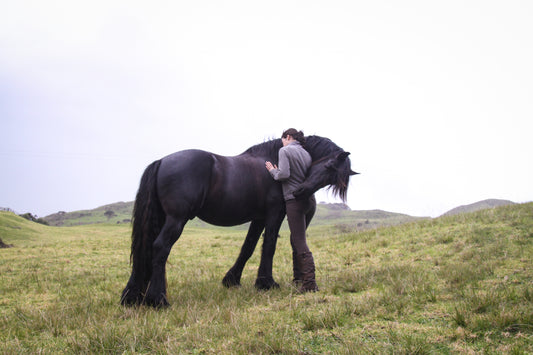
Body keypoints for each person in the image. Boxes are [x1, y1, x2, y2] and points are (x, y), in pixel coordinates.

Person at [265, 128, 318, 292]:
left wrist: (272, 170)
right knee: (297, 239)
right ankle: (298, 278)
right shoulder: (307, 154)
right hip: (311, 201)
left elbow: (283, 175)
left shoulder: (285, 150)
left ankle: (309, 284)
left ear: (288, 137)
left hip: (295, 200)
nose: (283, 143)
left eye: (283, 140)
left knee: (300, 241)